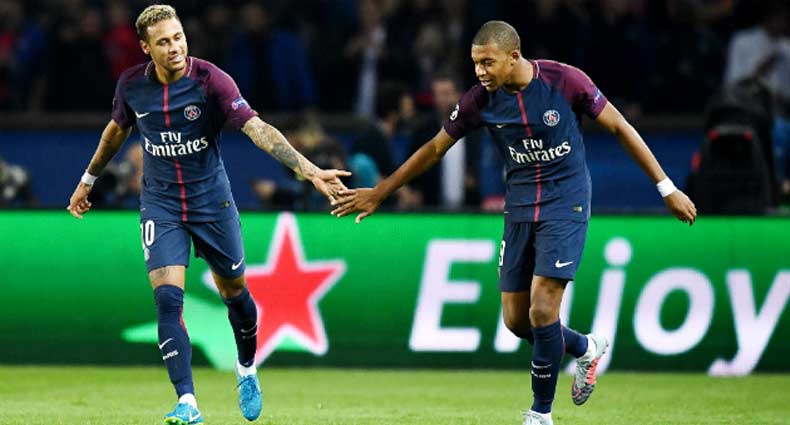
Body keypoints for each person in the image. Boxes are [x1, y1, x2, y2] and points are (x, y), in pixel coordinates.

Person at [331, 20, 697, 425]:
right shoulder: (479, 100)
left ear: (514, 56)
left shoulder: (565, 81)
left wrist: (666, 188)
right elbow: (435, 148)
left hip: (566, 203)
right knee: (517, 320)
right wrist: (380, 192)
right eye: (475, 63)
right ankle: (584, 347)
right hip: (520, 208)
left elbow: (620, 127)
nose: (480, 72)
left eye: (487, 62)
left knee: (543, 308)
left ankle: (540, 414)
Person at [66, 5, 348, 424]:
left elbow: (257, 129)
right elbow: (115, 131)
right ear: (145, 48)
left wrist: (309, 171)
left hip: (211, 203)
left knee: (235, 293)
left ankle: (247, 367)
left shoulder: (211, 80)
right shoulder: (132, 86)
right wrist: (88, 179)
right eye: (163, 42)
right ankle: (187, 401)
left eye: (178, 37)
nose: (175, 47)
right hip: (161, 204)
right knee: (167, 299)